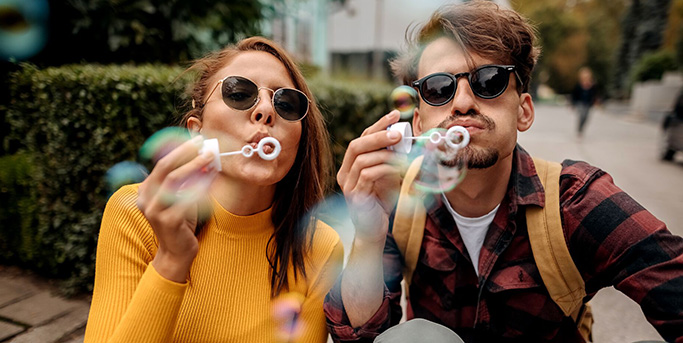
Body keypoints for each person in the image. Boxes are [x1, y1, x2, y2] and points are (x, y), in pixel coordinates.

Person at [324, 2, 683, 342]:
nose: (462, 103)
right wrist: (368, 236)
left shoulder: (574, 202)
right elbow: (360, 336)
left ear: (523, 111)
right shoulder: (397, 201)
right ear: (418, 121)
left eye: (489, 80)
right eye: (438, 89)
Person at [84, 36, 343, 343]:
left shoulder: (321, 247)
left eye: (286, 103)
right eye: (239, 93)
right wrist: (171, 261)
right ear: (198, 130)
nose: (265, 110)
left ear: (299, 139)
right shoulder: (137, 210)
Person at [571, 67, 598, 137]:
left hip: (588, 104)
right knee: (581, 115)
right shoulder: (578, 85)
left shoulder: (592, 85)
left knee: (586, 117)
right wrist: (573, 104)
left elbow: (594, 94)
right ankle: (579, 130)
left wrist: (595, 102)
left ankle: (581, 129)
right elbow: (574, 94)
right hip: (579, 103)